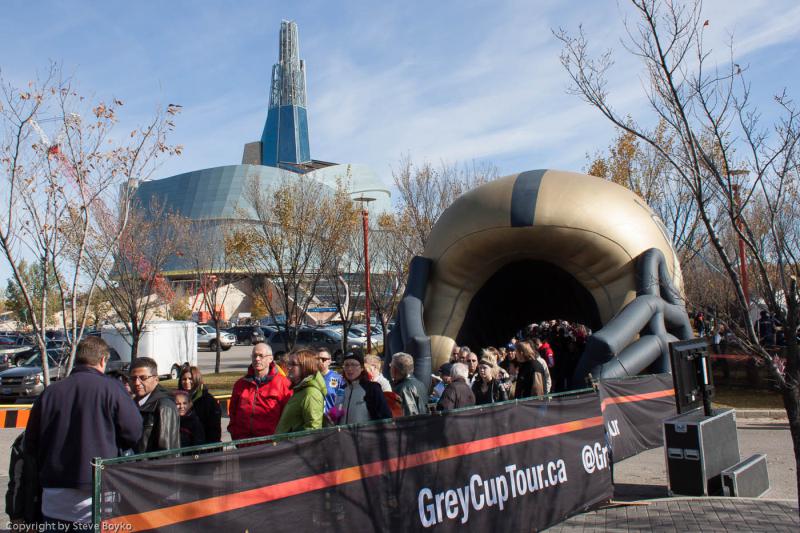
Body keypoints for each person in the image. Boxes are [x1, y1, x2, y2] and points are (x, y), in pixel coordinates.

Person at [25, 337, 142, 527]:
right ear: (103, 360)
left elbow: (30, 443)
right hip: (97, 495)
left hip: (54, 497)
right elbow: (134, 432)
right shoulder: (112, 389)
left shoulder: (50, 392)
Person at [228, 342, 293, 441]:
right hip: (244, 444)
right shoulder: (240, 384)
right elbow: (233, 412)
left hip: (270, 445)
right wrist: (235, 434)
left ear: (270, 359)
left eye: (261, 356)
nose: (257, 359)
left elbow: (288, 416)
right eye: (254, 356)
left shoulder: (283, 384)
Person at [130, 357, 180, 453]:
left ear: (156, 379)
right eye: (133, 378)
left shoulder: (164, 406)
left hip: (150, 467)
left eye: (143, 378)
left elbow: (167, 451)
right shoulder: (133, 402)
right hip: (133, 466)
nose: (137, 383)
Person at [275, 349, 326, 433]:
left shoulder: (311, 393)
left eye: (293, 364)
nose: (288, 367)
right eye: (289, 363)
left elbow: (313, 429)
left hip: (293, 445)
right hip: (285, 444)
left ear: (306, 366)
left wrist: (289, 439)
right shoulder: (300, 389)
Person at [336, 353, 392, 424]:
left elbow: (386, 417)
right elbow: (337, 413)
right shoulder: (342, 389)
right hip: (344, 434)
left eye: (354, 365)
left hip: (365, 434)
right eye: (346, 365)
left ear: (362, 368)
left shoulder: (372, 388)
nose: (349, 368)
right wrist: (332, 416)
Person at [178, 366, 221, 443]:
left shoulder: (209, 401)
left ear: (197, 379)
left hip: (204, 448)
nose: (187, 382)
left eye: (190, 379)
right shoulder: (176, 399)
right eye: (184, 379)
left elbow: (214, 430)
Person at [317, 347, 344, 414]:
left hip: (331, 420)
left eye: (323, 359)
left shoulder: (337, 378)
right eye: (317, 359)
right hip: (315, 420)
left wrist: (335, 415)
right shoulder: (311, 378)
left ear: (330, 361)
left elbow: (343, 402)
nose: (320, 361)